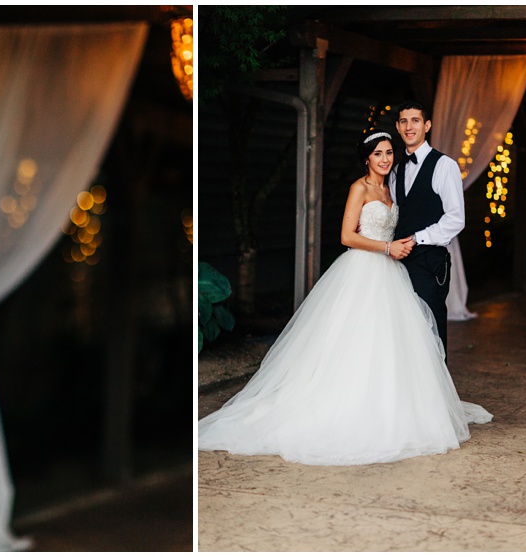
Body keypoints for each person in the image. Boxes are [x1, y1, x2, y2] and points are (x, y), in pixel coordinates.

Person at [197, 130, 491, 466]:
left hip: (391, 273)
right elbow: (347, 236)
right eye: (378, 154)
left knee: (391, 343)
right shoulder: (360, 188)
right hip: (364, 268)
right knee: (353, 339)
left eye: (389, 153)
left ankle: (388, 406)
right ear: (366, 158)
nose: (385, 159)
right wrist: (386, 247)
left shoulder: (392, 187)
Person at [391, 100, 465, 353]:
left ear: (427, 125)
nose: (409, 126)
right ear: (398, 128)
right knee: (402, 329)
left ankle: (434, 392)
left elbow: (456, 218)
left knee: (430, 328)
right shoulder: (396, 170)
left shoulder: (445, 166)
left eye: (415, 120)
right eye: (404, 121)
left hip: (430, 260)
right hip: (397, 263)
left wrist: (417, 238)